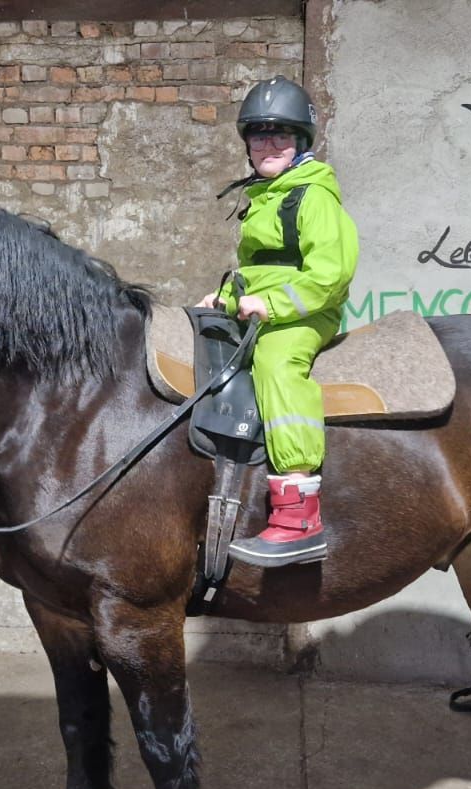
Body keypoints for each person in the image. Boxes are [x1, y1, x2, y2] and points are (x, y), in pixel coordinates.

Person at [196, 76, 359, 568]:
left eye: (280, 135)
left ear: (300, 142)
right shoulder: (266, 196)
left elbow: (330, 274)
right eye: (259, 135)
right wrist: (224, 297)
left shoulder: (312, 197)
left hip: (307, 312)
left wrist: (274, 307)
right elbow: (259, 270)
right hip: (267, 306)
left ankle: (298, 510)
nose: (268, 144)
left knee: (275, 365)